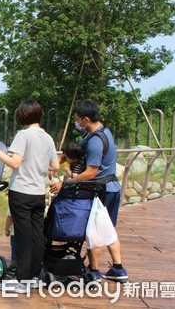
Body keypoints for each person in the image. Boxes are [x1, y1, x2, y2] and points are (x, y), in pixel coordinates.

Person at [0, 100, 59, 293]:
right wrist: (38, 165)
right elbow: (55, 166)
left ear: (23, 115)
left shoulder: (23, 135)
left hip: (21, 192)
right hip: (39, 193)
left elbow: (14, 163)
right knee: (37, 235)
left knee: (23, 236)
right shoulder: (48, 137)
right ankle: (33, 276)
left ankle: (21, 280)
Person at [50, 99, 128, 282]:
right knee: (108, 228)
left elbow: (91, 173)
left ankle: (94, 271)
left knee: (95, 229)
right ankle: (118, 269)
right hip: (112, 187)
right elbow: (77, 149)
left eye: (78, 120)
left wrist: (66, 183)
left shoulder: (95, 142)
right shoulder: (100, 133)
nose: (78, 123)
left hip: (103, 190)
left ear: (86, 119)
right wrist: (57, 163)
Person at [4, 208, 17, 274]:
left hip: (15, 231)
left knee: (15, 250)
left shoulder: (14, 201)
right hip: (28, 232)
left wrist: (6, 229)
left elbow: (10, 217)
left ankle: (13, 266)